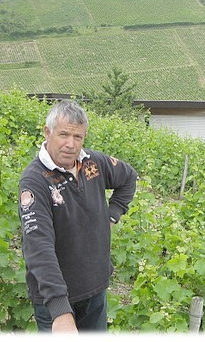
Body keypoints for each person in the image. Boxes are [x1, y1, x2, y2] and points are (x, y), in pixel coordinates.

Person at [18, 100, 137, 333]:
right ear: (47, 132)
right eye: (63, 135)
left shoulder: (94, 163)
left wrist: (113, 214)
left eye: (78, 137)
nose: (70, 144)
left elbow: (128, 177)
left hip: (95, 290)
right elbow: (37, 245)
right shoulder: (34, 181)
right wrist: (60, 310)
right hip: (56, 300)